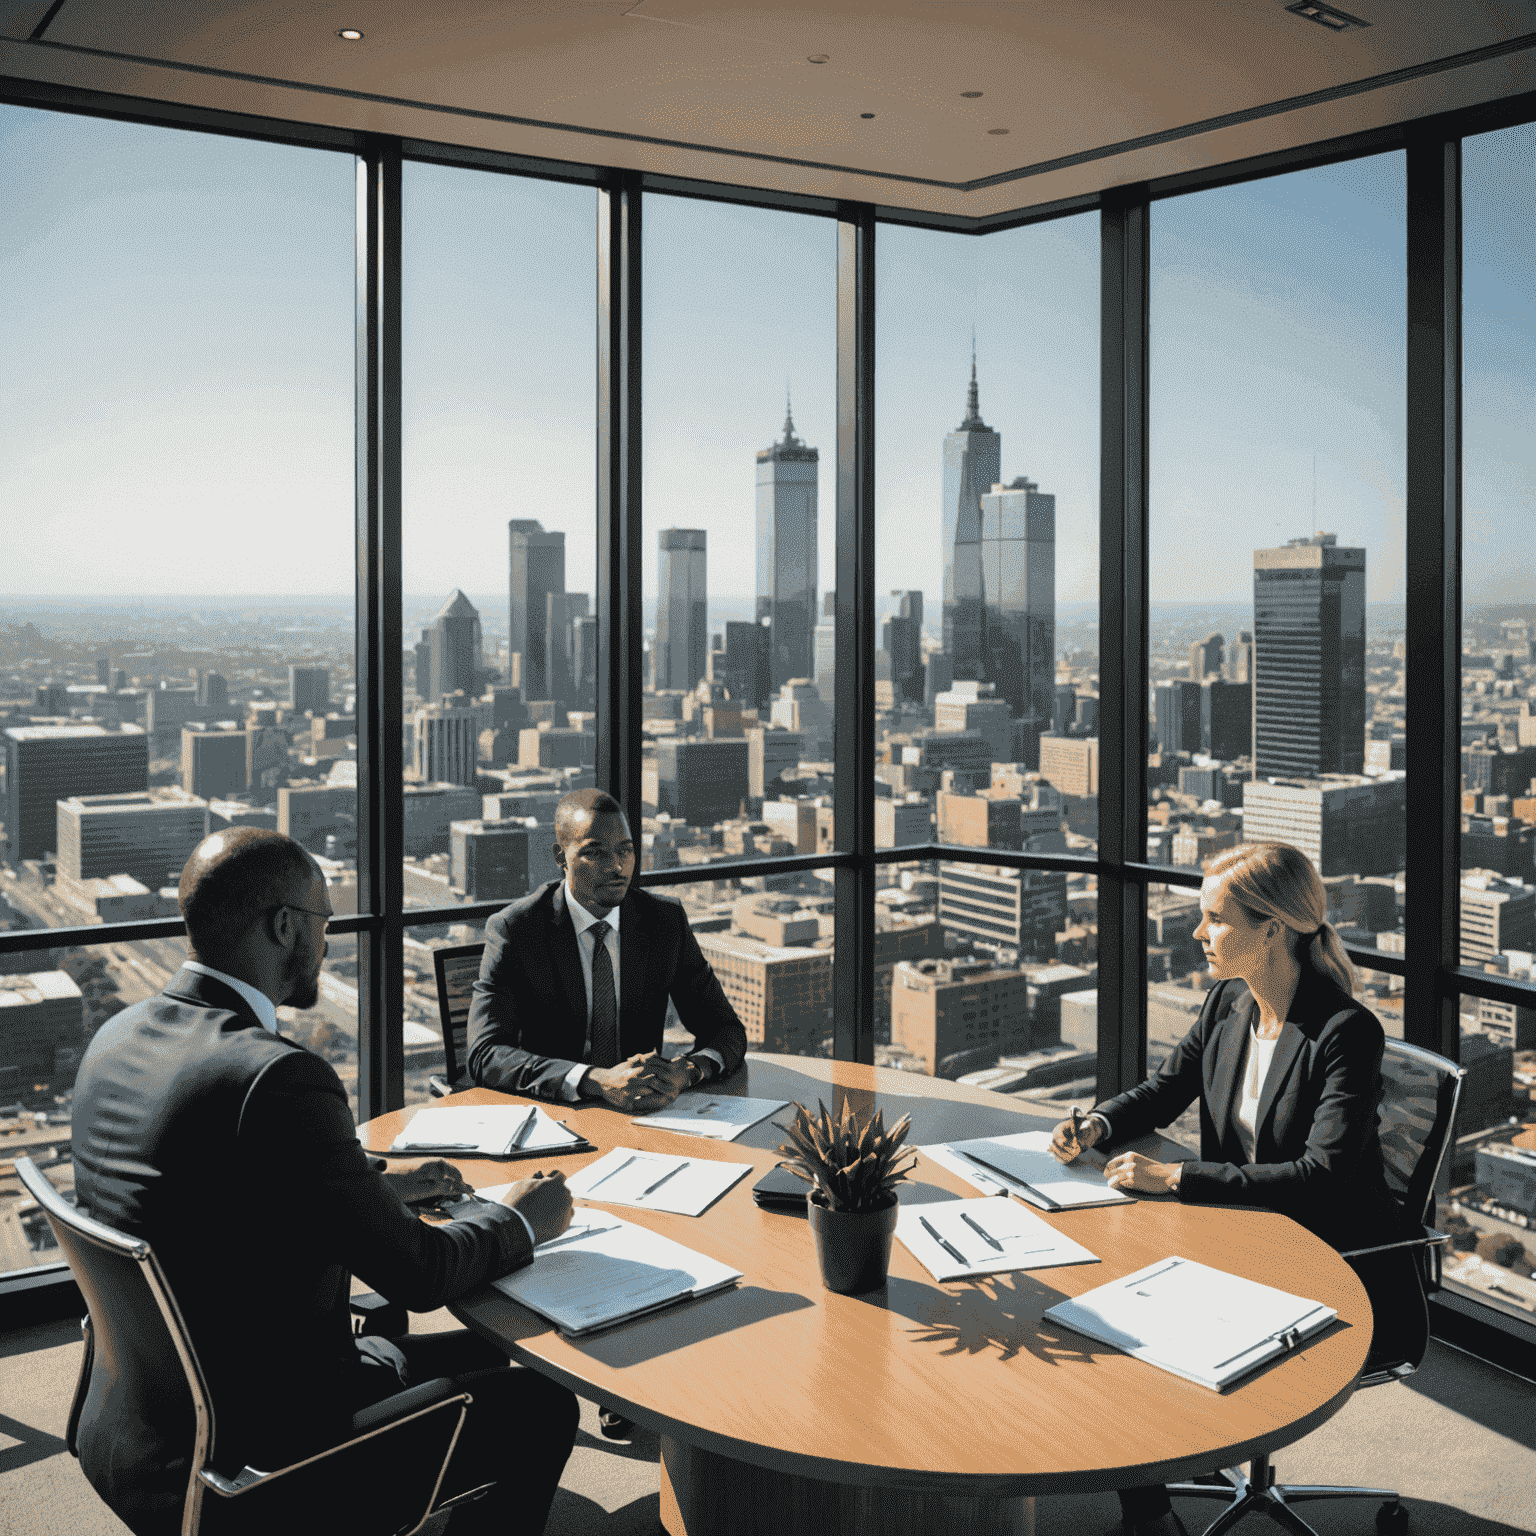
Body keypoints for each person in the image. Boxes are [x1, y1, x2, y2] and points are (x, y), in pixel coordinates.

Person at [71, 829, 579, 1536]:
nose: (331, 942)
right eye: (324, 923)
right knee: (544, 1405)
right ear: (284, 926)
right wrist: (523, 1218)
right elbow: (421, 1277)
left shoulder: (116, 1038)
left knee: (489, 1351)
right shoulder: (276, 1074)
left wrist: (380, 1187)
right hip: (270, 1449)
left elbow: (220, 1186)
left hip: (146, 1420)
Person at [1048, 841, 1405, 1536]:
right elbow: (1163, 1091)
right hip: (1242, 1232)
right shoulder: (1227, 1004)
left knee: (1130, 1329)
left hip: (1328, 1256)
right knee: (1094, 1300)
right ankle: (1158, 1493)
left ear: (1272, 927)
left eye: (1215, 918)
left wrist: (1177, 1177)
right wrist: (1096, 1123)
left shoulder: (1344, 1032)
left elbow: (1321, 1176)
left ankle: (1153, 1516)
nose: (1198, 932)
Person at [466, 788, 748, 1114]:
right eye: (595, 853)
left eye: (625, 851)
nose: (616, 867)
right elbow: (485, 1053)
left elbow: (726, 1029)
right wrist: (595, 1080)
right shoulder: (517, 929)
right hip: (555, 1114)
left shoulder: (663, 921)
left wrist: (687, 1071)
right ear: (561, 857)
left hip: (644, 1114)